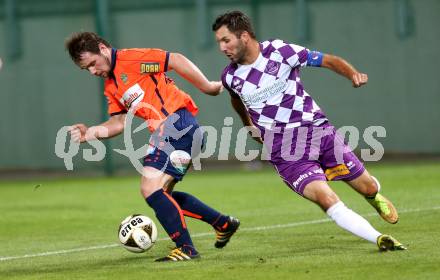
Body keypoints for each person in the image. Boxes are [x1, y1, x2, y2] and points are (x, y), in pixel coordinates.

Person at [212, 11, 406, 251]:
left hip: (318, 132)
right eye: (219, 42)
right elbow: (237, 100)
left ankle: (374, 196)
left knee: (367, 186)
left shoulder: (280, 52)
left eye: (226, 40)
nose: (222, 47)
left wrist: (352, 74)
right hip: (284, 149)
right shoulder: (230, 76)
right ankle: (378, 237)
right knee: (326, 198)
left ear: (243, 36)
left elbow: (329, 60)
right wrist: (248, 125)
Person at [65, 32, 240, 262]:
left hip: (177, 125)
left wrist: (207, 86)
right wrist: (90, 133)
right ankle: (222, 223)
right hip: (175, 133)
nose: (92, 71)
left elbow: (174, 60)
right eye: (85, 69)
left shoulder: (133, 60)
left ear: (103, 48)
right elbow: (117, 123)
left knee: (150, 188)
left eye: (92, 63)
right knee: (162, 194)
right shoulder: (111, 85)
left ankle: (186, 248)